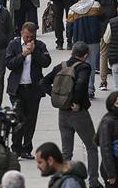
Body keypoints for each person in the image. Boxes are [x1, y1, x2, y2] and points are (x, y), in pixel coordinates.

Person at [41, 43, 101, 188]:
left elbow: (43, 82)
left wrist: (59, 99)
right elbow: (81, 86)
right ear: (85, 55)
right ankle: (93, 181)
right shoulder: (84, 67)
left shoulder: (61, 66)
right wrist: (75, 102)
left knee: (66, 151)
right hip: (78, 113)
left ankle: (63, 180)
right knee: (91, 147)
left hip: (63, 114)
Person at [5, 22, 52, 158]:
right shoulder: (13, 45)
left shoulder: (40, 45)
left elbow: (46, 62)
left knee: (31, 120)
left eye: (32, 37)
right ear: (21, 33)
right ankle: (15, 148)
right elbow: (9, 64)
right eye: (27, 37)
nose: (29, 40)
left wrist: (34, 51)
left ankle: (26, 148)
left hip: (33, 89)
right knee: (19, 119)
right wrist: (23, 54)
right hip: (17, 89)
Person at [67, 0, 103, 97]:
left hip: (78, 41)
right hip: (93, 39)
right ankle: (90, 89)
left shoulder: (72, 9)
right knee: (91, 65)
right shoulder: (96, 5)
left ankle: (81, 88)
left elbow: (69, 27)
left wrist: (69, 40)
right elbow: (101, 20)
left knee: (78, 66)